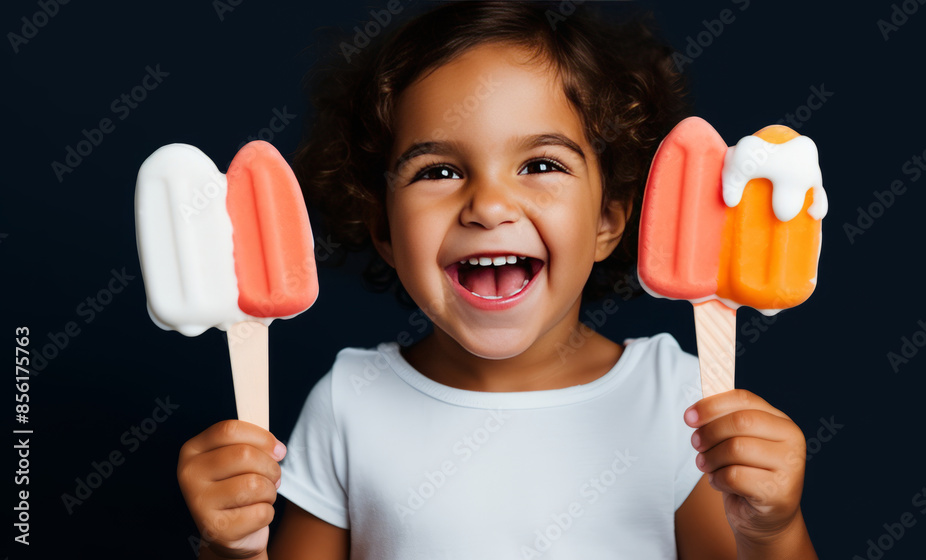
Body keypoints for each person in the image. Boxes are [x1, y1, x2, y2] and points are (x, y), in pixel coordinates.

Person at [177, 3, 817, 558]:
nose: (488, 205)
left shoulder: (679, 401)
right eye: (438, 171)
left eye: (540, 163)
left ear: (608, 220)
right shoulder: (350, 403)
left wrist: (772, 530)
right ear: (383, 231)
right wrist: (229, 547)